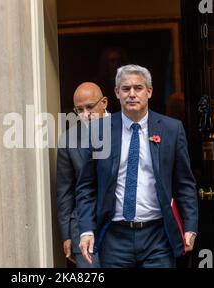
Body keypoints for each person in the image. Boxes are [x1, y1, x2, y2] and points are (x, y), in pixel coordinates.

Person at [77, 65, 198, 268]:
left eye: (138, 88)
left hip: (158, 237)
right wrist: (86, 230)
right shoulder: (99, 131)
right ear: (117, 93)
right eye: (125, 89)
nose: (132, 94)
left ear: (149, 92)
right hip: (114, 237)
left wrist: (190, 226)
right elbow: (86, 187)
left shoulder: (171, 129)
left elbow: (184, 183)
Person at [56, 82, 108, 268]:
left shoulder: (123, 129)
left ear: (104, 102)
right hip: (81, 228)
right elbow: (65, 190)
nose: (86, 114)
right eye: (80, 109)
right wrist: (67, 235)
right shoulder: (68, 139)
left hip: (118, 228)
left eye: (90, 107)